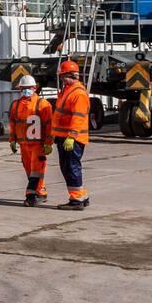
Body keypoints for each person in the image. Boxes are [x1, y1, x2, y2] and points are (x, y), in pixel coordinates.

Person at [51, 59, 91, 210]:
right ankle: (82, 196)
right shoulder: (67, 90)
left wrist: (71, 136)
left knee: (71, 167)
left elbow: (78, 117)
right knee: (68, 167)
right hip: (65, 137)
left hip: (72, 138)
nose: (62, 79)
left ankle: (77, 201)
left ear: (71, 75)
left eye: (63, 76)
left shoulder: (78, 93)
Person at [8, 74, 53, 207]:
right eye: (23, 88)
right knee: (30, 170)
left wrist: (48, 142)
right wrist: (12, 140)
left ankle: (31, 195)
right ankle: (41, 191)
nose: (26, 90)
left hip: (38, 145)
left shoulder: (42, 104)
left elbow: (50, 125)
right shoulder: (15, 105)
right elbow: (13, 124)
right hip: (24, 145)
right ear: (20, 89)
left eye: (29, 88)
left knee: (36, 171)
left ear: (35, 88)